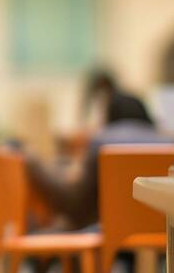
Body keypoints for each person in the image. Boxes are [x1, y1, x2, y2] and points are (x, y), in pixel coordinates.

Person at [25, 91, 165, 231]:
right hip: (161, 236)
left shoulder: (102, 141)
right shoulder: (170, 142)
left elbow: (75, 204)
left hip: (107, 236)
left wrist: (34, 163)